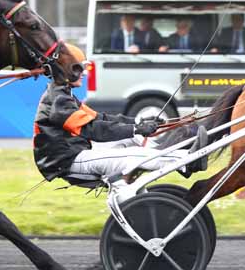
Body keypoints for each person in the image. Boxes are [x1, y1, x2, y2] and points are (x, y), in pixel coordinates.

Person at [33, 45, 209, 183]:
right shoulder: (58, 101)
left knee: (134, 140)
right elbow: (95, 130)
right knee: (134, 153)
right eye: (79, 68)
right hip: (69, 162)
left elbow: (102, 118)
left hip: (77, 154)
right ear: (65, 70)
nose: (84, 74)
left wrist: (140, 122)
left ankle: (173, 157)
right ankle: (185, 160)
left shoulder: (64, 95)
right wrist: (136, 128)